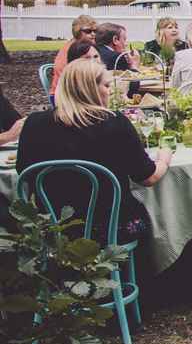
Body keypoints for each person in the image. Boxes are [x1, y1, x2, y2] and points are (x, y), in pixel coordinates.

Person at [17, 59, 172, 244]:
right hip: (111, 228)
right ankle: (150, 270)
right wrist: (164, 159)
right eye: (106, 85)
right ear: (89, 89)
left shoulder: (34, 123)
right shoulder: (114, 123)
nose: (109, 91)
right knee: (149, 218)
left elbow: (23, 172)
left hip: (52, 227)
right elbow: (148, 177)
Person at [50, 15, 97, 94]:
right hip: (65, 95)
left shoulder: (78, 45)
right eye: (88, 31)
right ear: (77, 31)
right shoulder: (77, 50)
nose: (93, 34)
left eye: (95, 31)